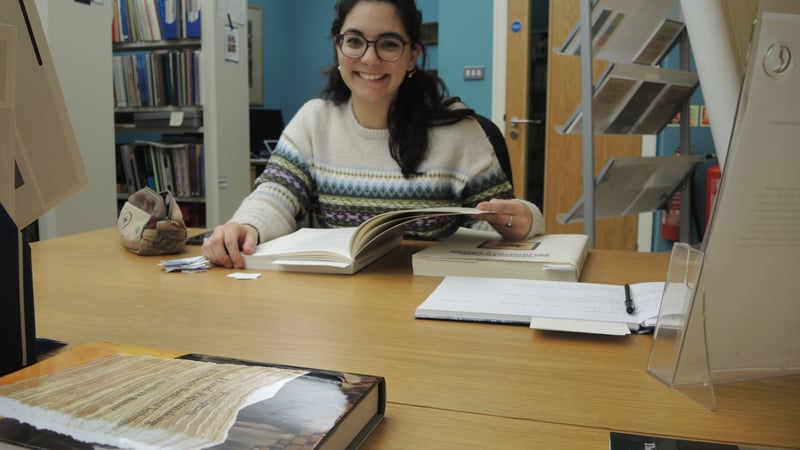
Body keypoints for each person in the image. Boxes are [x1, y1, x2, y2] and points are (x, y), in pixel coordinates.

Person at [203, 0, 544, 268]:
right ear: (338, 47)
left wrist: (524, 219)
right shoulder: (313, 120)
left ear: (412, 56)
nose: (370, 58)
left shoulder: (458, 130)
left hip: (436, 297)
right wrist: (246, 226)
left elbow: (500, 222)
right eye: (354, 41)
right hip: (339, 305)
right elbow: (274, 195)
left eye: (389, 44)